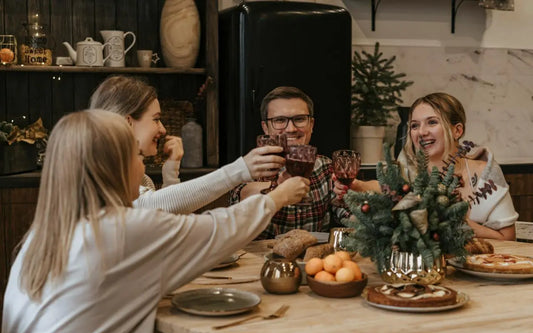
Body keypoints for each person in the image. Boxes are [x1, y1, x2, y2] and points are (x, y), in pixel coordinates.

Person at [1, 110, 309, 333]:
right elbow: (219, 230)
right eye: (137, 156)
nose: (141, 166)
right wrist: (276, 198)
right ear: (114, 166)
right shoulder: (120, 229)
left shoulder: (43, 234)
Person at [89, 75, 285, 214]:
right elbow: (147, 207)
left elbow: (165, 221)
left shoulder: (143, 180)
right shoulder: (97, 174)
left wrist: (170, 172)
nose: (163, 129)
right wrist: (240, 170)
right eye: (156, 119)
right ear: (128, 121)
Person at [335, 92, 518, 241]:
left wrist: (458, 222)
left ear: (457, 130)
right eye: (414, 125)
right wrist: (356, 185)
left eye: (432, 122)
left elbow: (508, 238)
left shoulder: (486, 173)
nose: (421, 132)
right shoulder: (407, 170)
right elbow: (386, 189)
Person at [229, 86, 352, 239]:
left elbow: (345, 212)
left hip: (313, 259)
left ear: (311, 125)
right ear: (265, 128)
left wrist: (366, 207)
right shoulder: (252, 165)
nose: (291, 129)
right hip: (259, 259)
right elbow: (240, 196)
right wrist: (278, 187)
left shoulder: (326, 166)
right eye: (280, 120)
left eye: (299, 119)